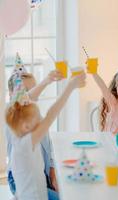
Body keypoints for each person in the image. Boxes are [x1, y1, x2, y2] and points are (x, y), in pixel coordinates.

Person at [5, 67, 86, 200]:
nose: (40, 122)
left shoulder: (19, 128)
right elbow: (51, 115)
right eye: (37, 119)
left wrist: (47, 80)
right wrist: (70, 87)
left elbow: (29, 98)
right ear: (26, 126)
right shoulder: (25, 143)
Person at [5, 54, 62, 199]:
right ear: (12, 94)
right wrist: (47, 81)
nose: (31, 94)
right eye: (25, 90)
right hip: (18, 179)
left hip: (41, 172)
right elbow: (27, 98)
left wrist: (52, 169)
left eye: (33, 88)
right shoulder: (13, 116)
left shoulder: (36, 115)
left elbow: (48, 147)